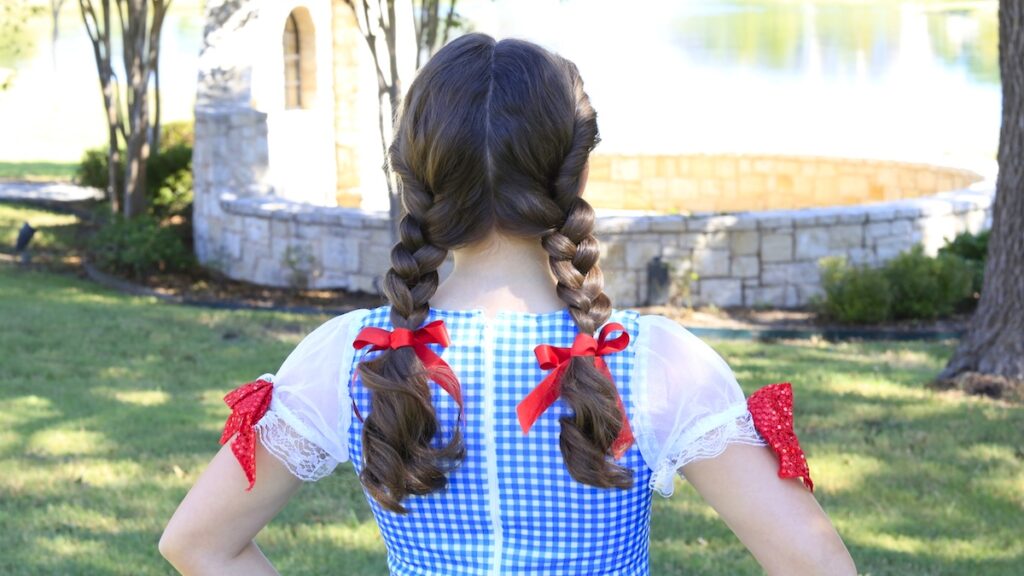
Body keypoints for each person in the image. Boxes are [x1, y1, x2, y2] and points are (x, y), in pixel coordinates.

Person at [159, 33, 857, 575]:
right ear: (578, 170)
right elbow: (816, 562)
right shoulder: (653, 363)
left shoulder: (353, 355)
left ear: (415, 179)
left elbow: (198, 544)